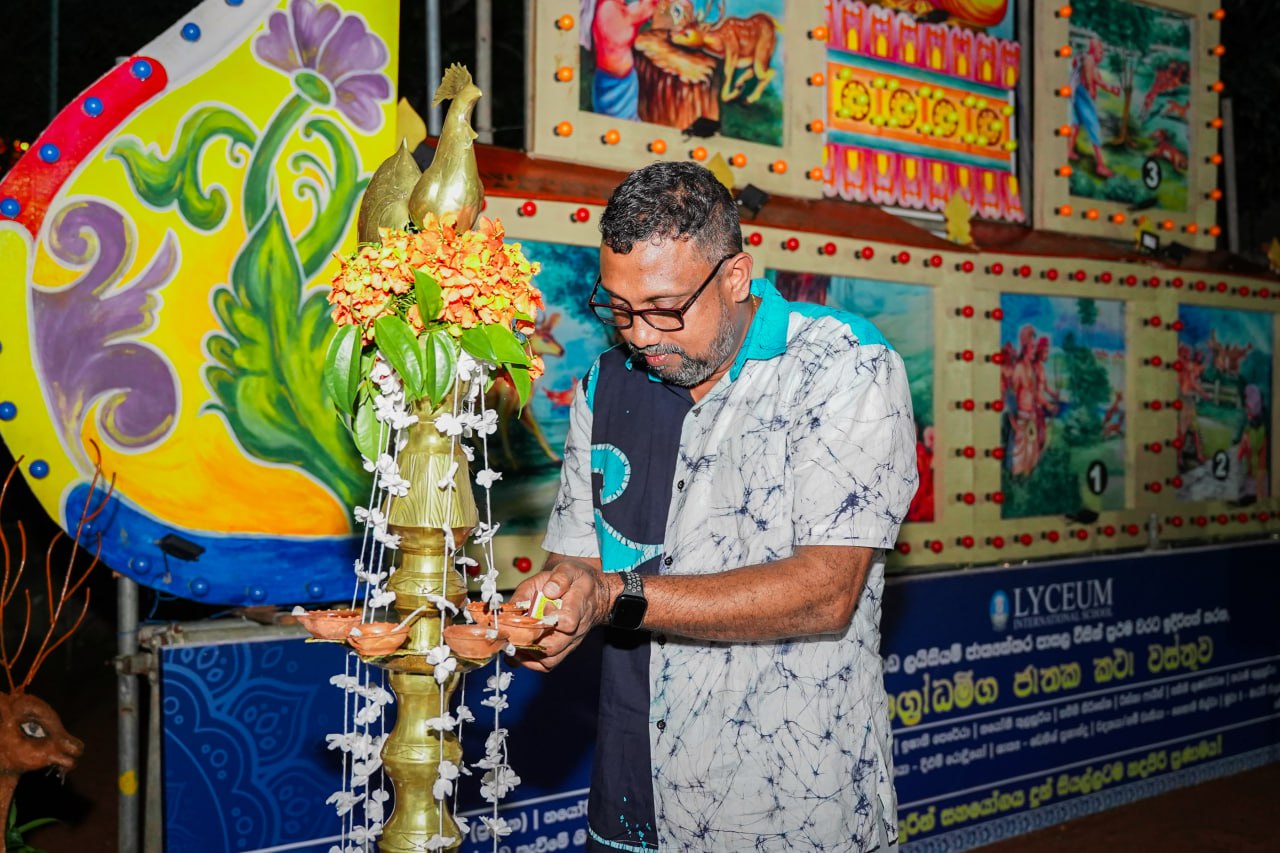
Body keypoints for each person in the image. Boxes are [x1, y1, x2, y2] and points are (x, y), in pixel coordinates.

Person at [514, 161, 918, 852]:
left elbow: (826, 591)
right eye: (618, 308)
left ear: (736, 277)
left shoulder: (844, 366)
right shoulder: (602, 383)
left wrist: (615, 595)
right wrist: (559, 598)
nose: (639, 335)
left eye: (665, 307)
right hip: (630, 792)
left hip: (788, 805)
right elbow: (580, 552)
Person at [589, 0, 660, 120]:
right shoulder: (608, 8)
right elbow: (636, 16)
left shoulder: (618, 6)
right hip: (612, 86)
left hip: (626, 81)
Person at [1068, 37, 1120, 178]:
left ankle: (1069, 151)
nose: (1101, 54)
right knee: (1094, 128)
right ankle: (1100, 166)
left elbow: (1100, 82)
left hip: (1079, 97)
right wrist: (1090, 87)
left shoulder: (1093, 66)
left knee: (1076, 125)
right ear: (1093, 49)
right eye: (1100, 51)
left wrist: (1111, 89)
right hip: (1084, 97)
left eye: (1102, 52)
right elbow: (1088, 72)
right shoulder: (1088, 58)